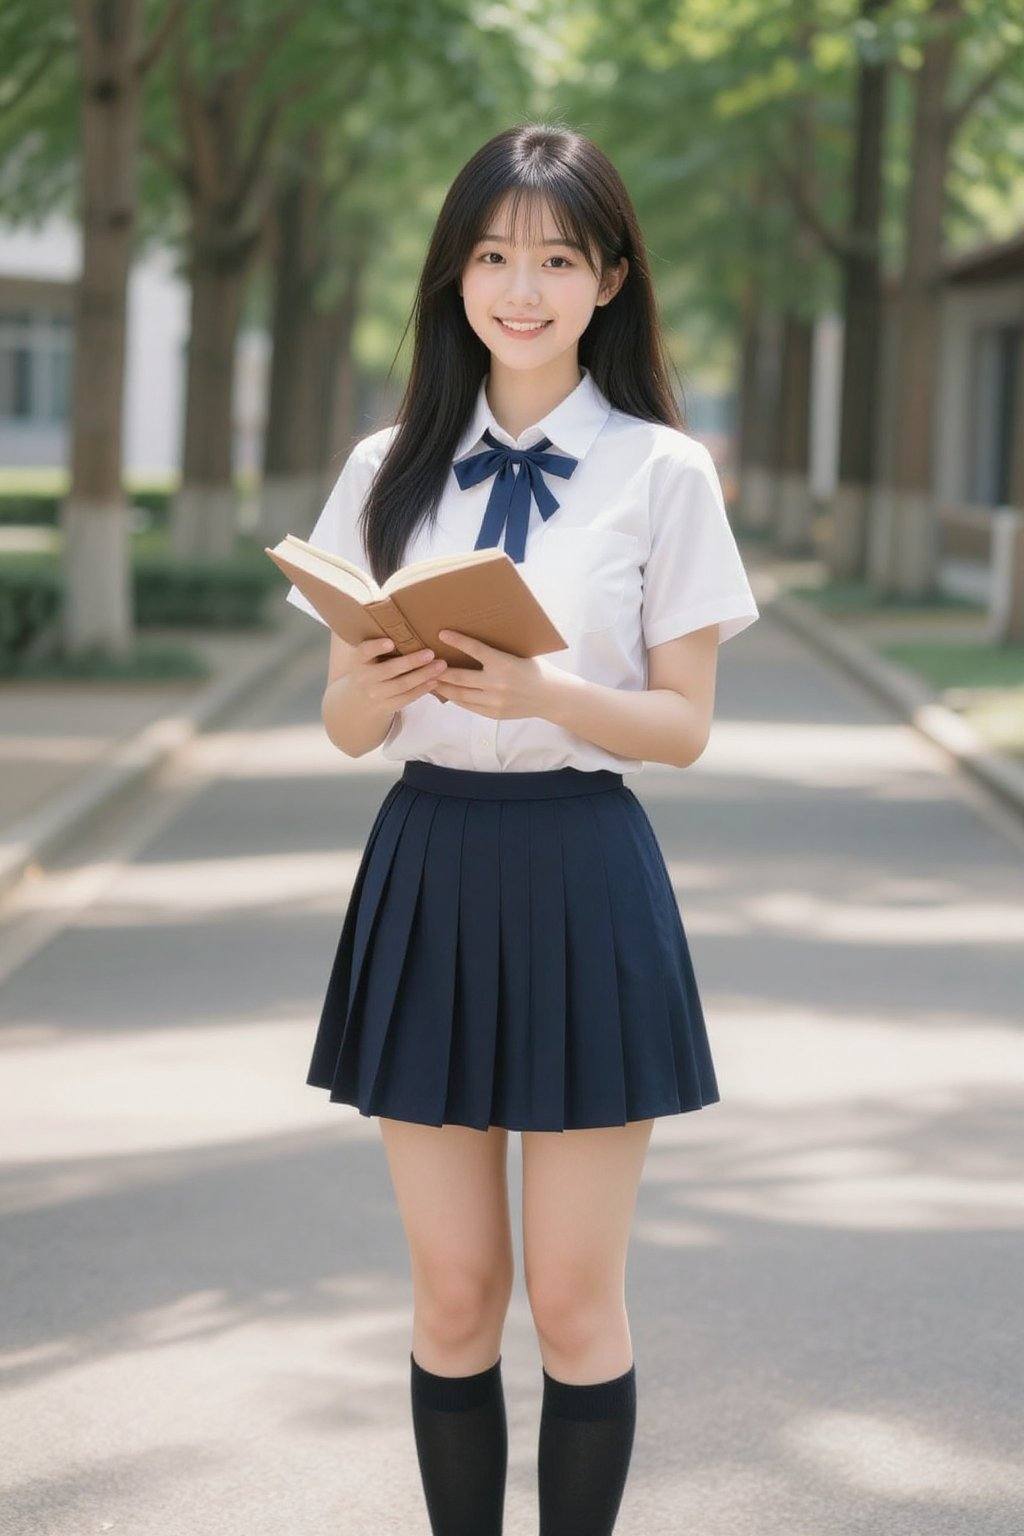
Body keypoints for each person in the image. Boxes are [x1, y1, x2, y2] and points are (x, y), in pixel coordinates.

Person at [284, 120, 759, 1536]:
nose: (523, 287)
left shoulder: (662, 473)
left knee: (570, 1296)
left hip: (583, 871)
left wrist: (549, 691)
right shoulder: (387, 465)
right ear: (455, 276)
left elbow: (684, 725)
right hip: (426, 864)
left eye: (557, 257)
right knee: (454, 1293)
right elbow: (341, 729)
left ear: (610, 278)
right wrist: (370, 685)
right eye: (493, 255)